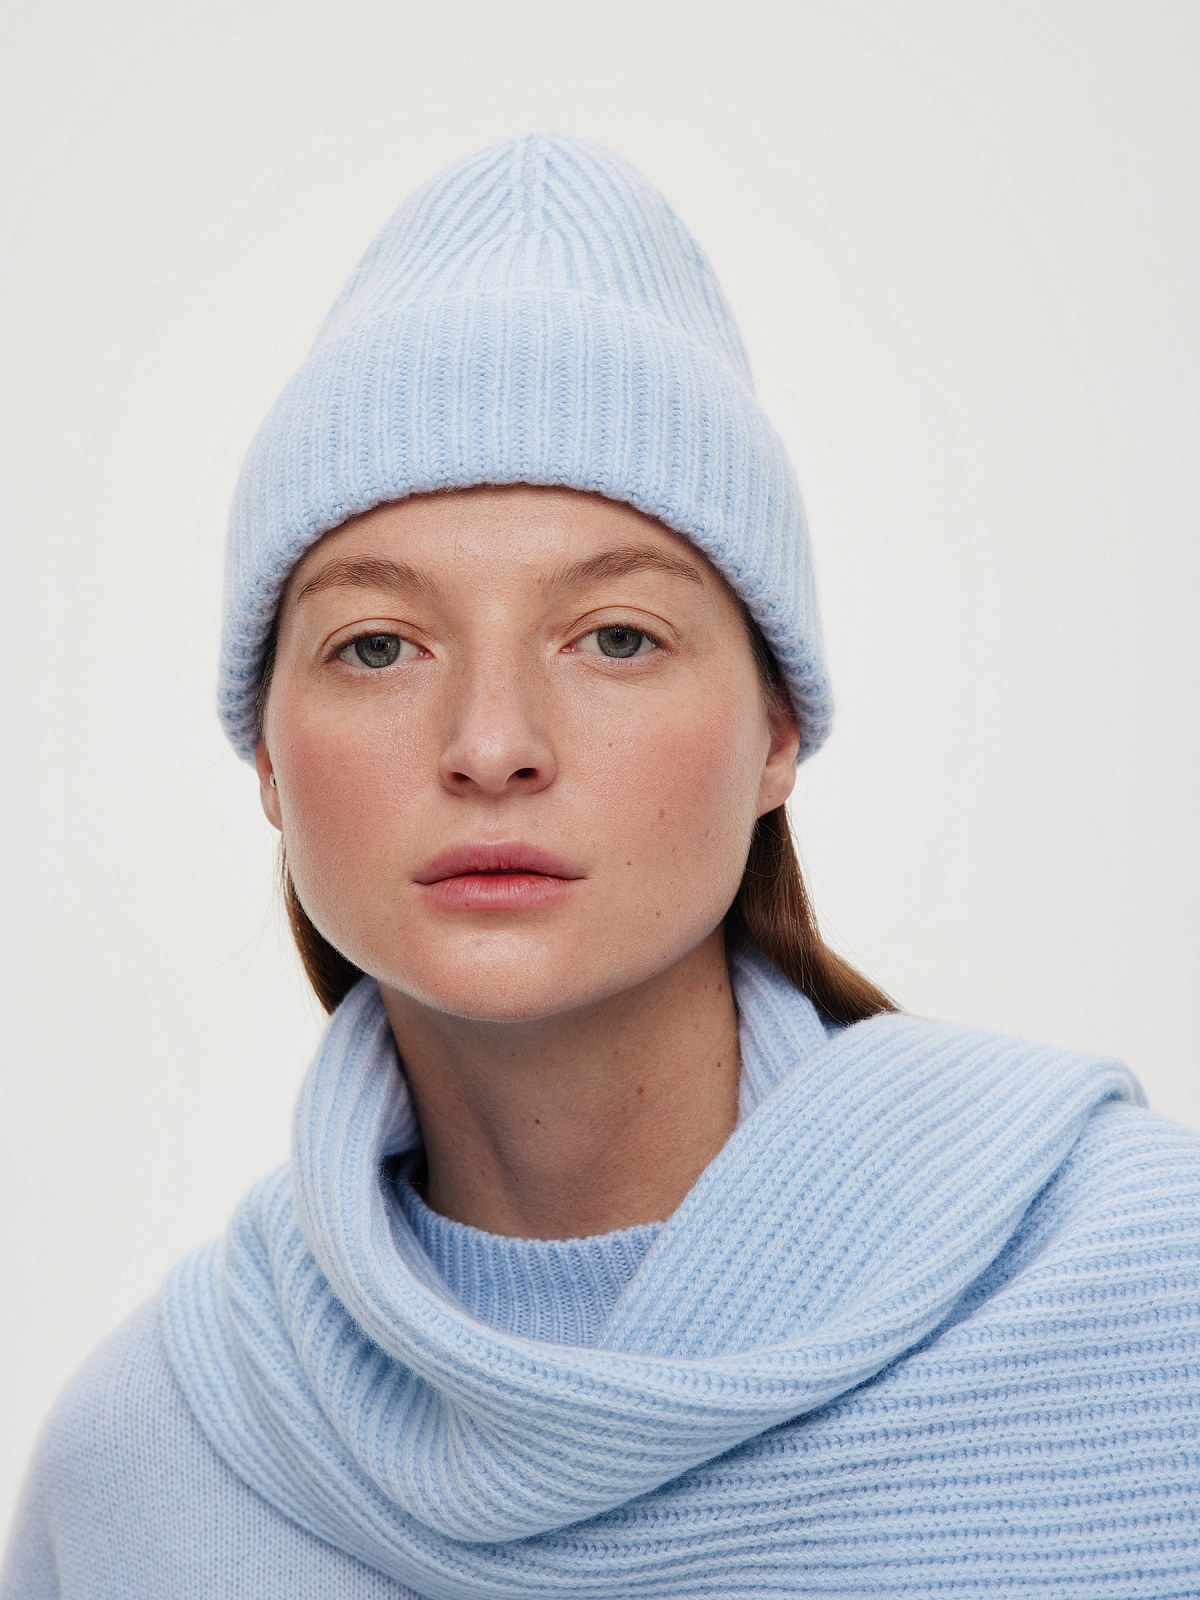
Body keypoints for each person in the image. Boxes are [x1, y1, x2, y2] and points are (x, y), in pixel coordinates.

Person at [3, 131, 1199, 1600]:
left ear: (776, 732)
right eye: (377, 647)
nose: (491, 744)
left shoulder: (1157, 1300)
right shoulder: (142, 1463)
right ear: (264, 751)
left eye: (616, 637)